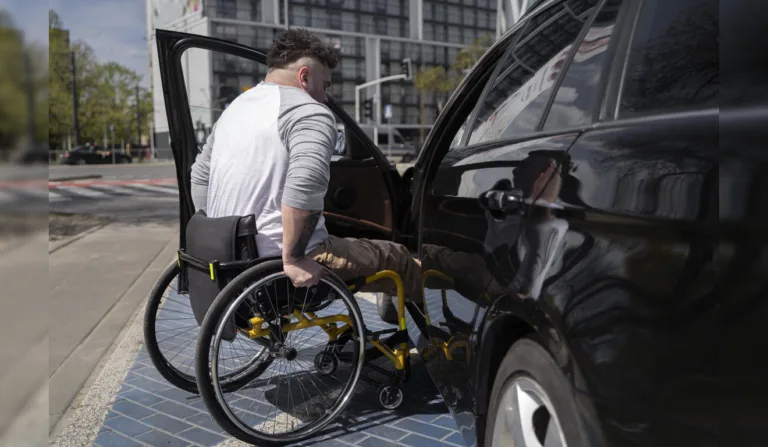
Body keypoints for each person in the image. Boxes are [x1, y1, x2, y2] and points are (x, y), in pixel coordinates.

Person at [189, 29, 422, 302]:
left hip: (231, 262)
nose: (325, 98)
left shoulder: (233, 110)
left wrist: (218, 237)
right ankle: (437, 333)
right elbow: (304, 188)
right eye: (325, 86)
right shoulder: (308, 111)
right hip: (281, 264)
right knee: (398, 258)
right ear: (304, 76)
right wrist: (293, 258)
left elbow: (200, 175)